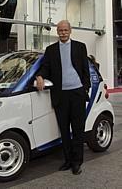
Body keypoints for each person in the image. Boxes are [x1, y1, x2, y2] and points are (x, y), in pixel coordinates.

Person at [36, 20, 91, 175]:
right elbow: (45, 67)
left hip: (77, 94)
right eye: (60, 30)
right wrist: (40, 76)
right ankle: (67, 160)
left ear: (70, 31)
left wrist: (84, 87)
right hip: (61, 96)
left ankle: (77, 162)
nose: (63, 33)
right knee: (64, 131)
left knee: (78, 130)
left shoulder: (80, 47)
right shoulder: (51, 50)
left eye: (65, 30)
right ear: (57, 32)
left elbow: (85, 70)